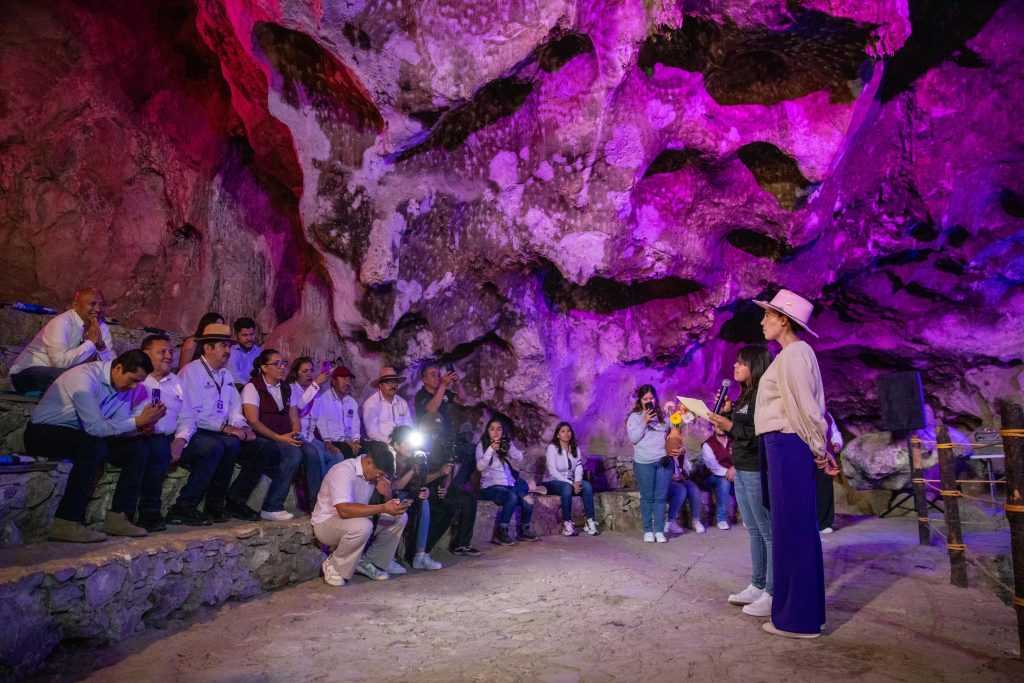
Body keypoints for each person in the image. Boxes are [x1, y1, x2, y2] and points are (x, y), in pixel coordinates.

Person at [24, 350, 165, 542]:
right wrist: (136, 421)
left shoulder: (125, 387)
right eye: (132, 380)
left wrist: (140, 428)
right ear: (118, 368)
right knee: (93, 447)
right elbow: (95, 427)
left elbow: (118, 425)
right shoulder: (84, 377)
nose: (134, 386)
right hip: (44, 432)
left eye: (138, 383)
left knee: (138, 448)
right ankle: (66, 522)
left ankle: (119, 517)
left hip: (83, 433)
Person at [753, 289, 829, 639]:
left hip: (788, 444)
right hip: (783, 444)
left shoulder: (796, 353)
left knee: (793, 529)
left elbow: (807, 407)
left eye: (768, 315)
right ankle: (803, 614)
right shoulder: (790, 354)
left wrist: (818, 447)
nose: (762, 321)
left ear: (783, 319)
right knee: (792, 527)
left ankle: (798, 619)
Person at [168, 322, 268, 525]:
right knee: (220, 445)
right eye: (223, 346)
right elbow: (191, 414)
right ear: (207, 347)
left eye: (229, 346)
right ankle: (184, 506)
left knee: (262, 448)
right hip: (195, 430)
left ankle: (228, 502)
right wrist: (225, 428)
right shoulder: (191, 372)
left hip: (220, 431)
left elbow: (234, 408)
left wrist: (243, 427)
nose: (228, 350)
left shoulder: (226, 374)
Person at [709, 345, 774, 618]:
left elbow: (761, 432)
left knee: (767, 530)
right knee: (753, 529)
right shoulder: (744, 394)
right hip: (742, 467)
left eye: (741, 363)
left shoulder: (763, 394)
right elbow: (741, 428)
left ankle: (772, 592)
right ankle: (757, 585)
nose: (735, 366)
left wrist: (730, 426)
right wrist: (727, 413)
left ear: (755, 366)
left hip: (757, 468)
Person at [311, 440, 411, 586]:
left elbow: (382, 508)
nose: (380, 477)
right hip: (326, 523)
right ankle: (334, 564)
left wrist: (388, 495)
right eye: (379, 474)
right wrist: (383, 508)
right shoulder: (344, 471)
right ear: (368, 462)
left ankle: (369, 562)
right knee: (363, 526)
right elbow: (344, 510)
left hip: (355, 520)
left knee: (400, 517)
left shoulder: (374, 474)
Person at [240, 349, 321, 521]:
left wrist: (295, 433)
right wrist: (279, 438)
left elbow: (294, 416)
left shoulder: (286, 388)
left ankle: (316, 505)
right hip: (265, 438)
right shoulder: (252, 387)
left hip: (285, 436)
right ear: (264, 367)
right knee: (293, 454)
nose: (281, 367)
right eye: (276, 364)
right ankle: (272, 506)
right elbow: (253, 421)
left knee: (312, 452)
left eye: (283, 363)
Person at [133, 334, 197, 532]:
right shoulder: (137, 380)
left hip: (171, 436)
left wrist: (180, 440)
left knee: (214, 447)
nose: (169, 356)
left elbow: (188, 418)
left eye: (171, 351)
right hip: (141, 434)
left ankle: (188, 506)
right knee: (158, 448)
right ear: (146, 354)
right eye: (162, 352)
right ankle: (149, 512)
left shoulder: (176, 382)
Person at [10, 287, 115, 394]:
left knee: (109, 381)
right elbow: (59, 363)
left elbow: (111, 368)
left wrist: (101, 347)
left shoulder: (102, 328)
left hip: (69, 373)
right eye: (92, 304)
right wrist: (90, 343)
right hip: (27, 372)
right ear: (76, 305)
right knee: (74, 378)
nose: (98, 309)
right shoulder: (61, 322)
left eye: (102, 305)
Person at [391, 425, 450, 570]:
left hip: (406, 496)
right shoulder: (390, 458)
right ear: (397, 446)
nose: (411, 447)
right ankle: (389, 557)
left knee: (424, 501)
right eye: (407, 443)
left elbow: (418, 484)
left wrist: (423, 491)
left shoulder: (416, 458)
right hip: (388, 499)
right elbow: (395, 486)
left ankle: (420, 556)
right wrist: (412, 470)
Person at [626, 385, 679, 543]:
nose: (649, 401)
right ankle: (648, 530)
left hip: (663, 461)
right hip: (644, 462)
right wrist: (644, 421)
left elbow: (674, 437)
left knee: (660, 498)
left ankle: (659, 531)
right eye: (645, 399)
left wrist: (679, 447)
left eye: (651, 398)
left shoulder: (664, 416)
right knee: (647, 497)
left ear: (655, 399)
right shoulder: (634, 417)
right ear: (640, 400)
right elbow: (633, 438)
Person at [476, 418, 538, 545]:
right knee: (512, 496)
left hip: (509, 485)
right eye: (492, 429)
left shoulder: (505, 444)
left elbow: (519, 457)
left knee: (528, 500)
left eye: (499, 429)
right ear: (487, 431)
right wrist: (490, 449)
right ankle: (501, 533)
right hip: (491, 487)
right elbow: (480, 467)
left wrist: (509, 447)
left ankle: (524, 530)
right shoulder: (481, 446)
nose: (495, 432)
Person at [287, 357, 334, 501]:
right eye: (305, 371)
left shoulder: (316, 392)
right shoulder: (290, 389)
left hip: (311, 437)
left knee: (337, 457)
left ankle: (324, 487)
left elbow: (321, 418)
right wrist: (316, 384)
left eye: (311, 371)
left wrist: (327, 439)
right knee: (317, 455)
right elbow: (300, 406)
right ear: (296, 373)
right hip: (298, 436)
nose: (309, 374)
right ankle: (316, 499)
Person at [542, 422, 598, 536]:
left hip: (571, 481)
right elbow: (553, 471)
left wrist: (577, 481)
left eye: (568, 431)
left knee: (587, 486)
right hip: (553, 482)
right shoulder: (552, 448)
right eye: (563, 431)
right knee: (567, 487)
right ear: (558, 435)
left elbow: (578, 466)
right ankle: (567, 523)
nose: (566, 433)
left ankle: (590, 521)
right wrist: (571, 483)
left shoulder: (575, 448)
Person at [414, 362, 464, 458]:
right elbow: (432, 409)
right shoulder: (420, 395)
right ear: (424, 379)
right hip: (429, 441)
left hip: (446, 437)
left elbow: (462, 399)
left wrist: (458, 383)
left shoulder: (444, 392)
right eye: (433, 375)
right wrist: (443, 385)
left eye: (438, 375)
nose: (437, 378)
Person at [312, 365, 362, 459]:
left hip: (350, 442)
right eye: (343, 378)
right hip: (333, 442)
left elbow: (355, 426)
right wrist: (328, 441)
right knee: (346, 450)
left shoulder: (352, 402)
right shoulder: (324, 400)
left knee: (369, 448)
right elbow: (322, 424)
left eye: (349, 379)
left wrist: (355, 442)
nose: (347, 382)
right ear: (333, 381)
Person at [362, 367, 414, 442]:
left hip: (402, 444)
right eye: (388, 382)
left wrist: (404, 442)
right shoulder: (371, 404)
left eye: (395, 382)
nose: (393, 385)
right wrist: (392, 442)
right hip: (381, 445)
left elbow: (409, 425)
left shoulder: (402, 402)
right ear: (380, 385)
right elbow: (372, 433)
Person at [700, 425, 734, 530]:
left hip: (733, 475)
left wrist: (734, 468)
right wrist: (729, 473)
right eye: (717, 425)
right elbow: (713, 467)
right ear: (713, 428)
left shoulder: (733, 442)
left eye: (722, 424)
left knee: (748, 477)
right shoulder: (708, 444)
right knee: (724, 481)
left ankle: (749, 517)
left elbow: (741, 459)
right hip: (712, 478)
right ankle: (721, 519)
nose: (720, 427)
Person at [664, 451, 704, 534]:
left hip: (680, 479)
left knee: (694, 489)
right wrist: (670, 476)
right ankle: (671, 522)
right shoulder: (664, 452)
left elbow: (686, 468)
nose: (680, 445)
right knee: (681, 490)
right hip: (666, 481)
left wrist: (683, 474)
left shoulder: (682, 452)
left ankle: (695, 521)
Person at [817, 413, 844, 534]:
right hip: (810, 458)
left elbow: (834, 432)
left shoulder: (827, 415)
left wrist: (837, 443)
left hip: (826, 459)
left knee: (825, 491)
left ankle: (824, 523)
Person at [226, 317, 260, 387]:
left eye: (251, 334)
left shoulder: (260, 352)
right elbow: (235, 379)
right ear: (236, 336)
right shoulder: (231, 353)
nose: (249, 338)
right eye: (245, 335)